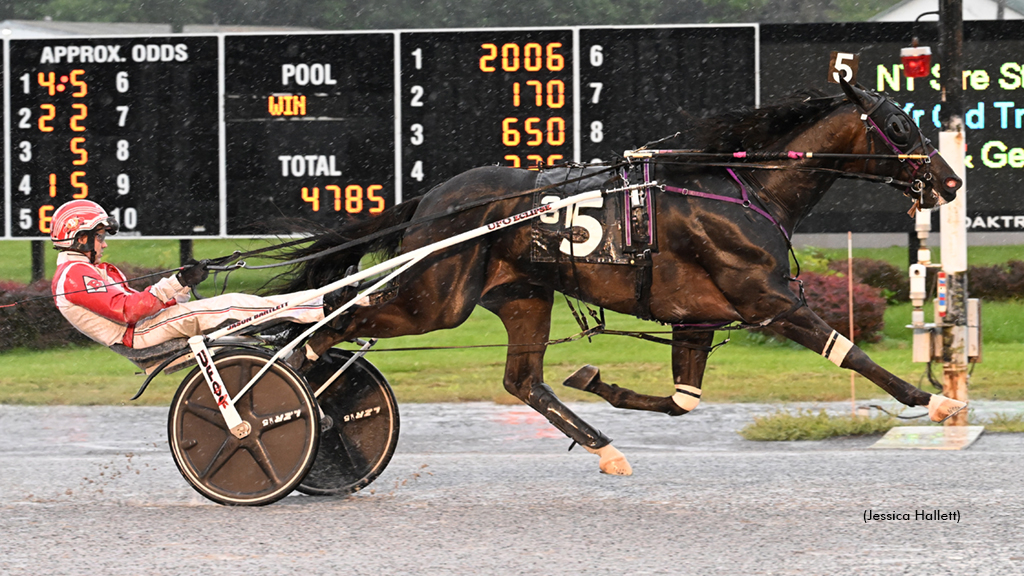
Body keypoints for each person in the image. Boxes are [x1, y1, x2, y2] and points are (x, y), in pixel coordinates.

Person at [50, 200, 339, 350]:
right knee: (229, 305)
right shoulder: (74, 274)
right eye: (99, 237)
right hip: (140, 334)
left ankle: (299, 317)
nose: (104, 243)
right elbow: (130, 311)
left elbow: (138, 305)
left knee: (229, 304)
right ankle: (323, 306)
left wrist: (181, 288)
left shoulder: (83, 270)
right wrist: (178, 281)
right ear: (79, 238)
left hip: (145, 327)